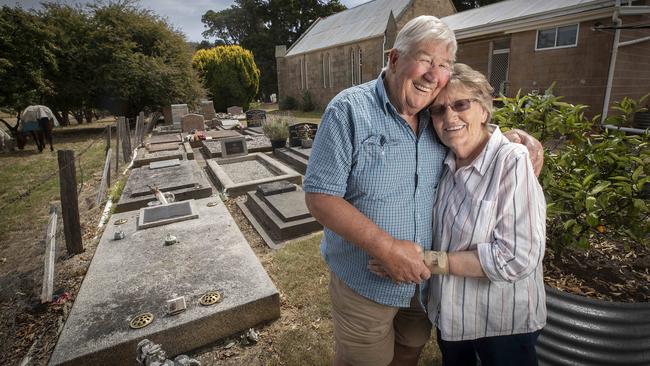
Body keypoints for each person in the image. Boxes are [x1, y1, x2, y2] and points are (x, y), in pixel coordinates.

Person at [304, 16, 542, 366]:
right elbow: (320, 197)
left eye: (443, 64)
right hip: (366, 282)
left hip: (422, 286)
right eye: (426, 60)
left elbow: (471, 129)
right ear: (395, 58)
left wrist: (515, 140)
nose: (434, 74)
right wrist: (386, 248)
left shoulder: (435, 123)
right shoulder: (349, 110)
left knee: (409, 353)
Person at [424, 63, 546, 365]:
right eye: (438, 110)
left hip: (502, 323)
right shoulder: (444, 162)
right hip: (452, 320)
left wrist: (432, 262)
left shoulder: (512, 161)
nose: (449, 116)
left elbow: (517, 257)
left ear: (484, 109)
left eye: (461, 104)